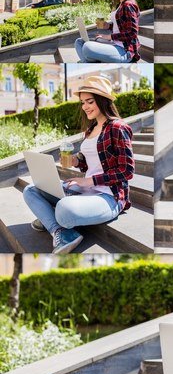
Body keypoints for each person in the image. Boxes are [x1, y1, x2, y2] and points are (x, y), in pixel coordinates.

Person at [23, 78, 134, 257]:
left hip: (109, 197)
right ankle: (61, 232)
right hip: (84, 190)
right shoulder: (91, 129)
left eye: (90, 101)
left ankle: (49, 217)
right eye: (83, 102)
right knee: (30, 190)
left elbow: (127, 170)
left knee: (64, 209)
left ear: (103, 100)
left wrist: (89, 180)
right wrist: (76, 161)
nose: (85, 107)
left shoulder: (118, 128)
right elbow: (90, 160)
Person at [75, 0, 140, 63]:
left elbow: (132, 33)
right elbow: (121, 26)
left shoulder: (128, 5)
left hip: (124, 50)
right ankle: (87, 62)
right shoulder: (120, 4)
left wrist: (109, 37)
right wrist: (108, 26)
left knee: (87, 47)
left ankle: (86, 62)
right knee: (79, 42)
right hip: (114, 43)